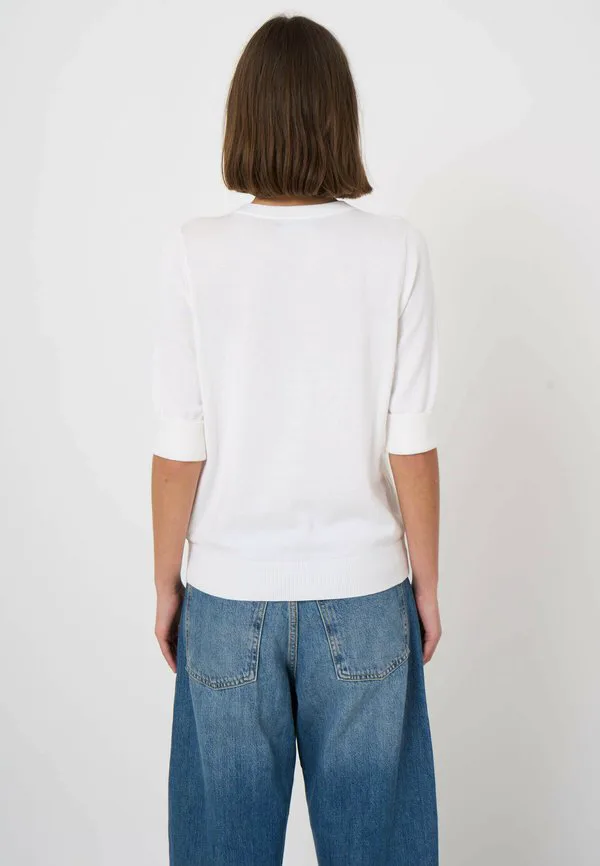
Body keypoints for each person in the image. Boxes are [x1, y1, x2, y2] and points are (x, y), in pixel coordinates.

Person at [151, 13, 441, 866]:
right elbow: (411, 442)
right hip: (366, 593)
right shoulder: (396, 250)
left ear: (243, 117)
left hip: (226, 594)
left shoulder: (195, 252)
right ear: (338, 117)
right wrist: (427, 585)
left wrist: (166, 585)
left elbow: (180, 446)